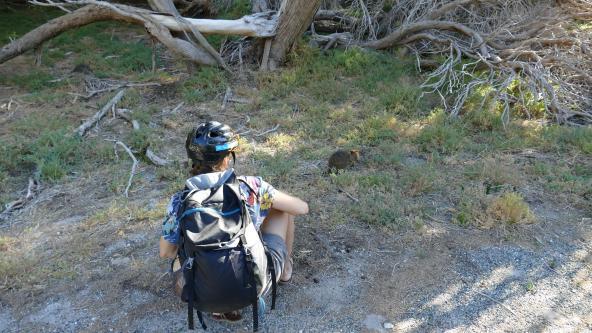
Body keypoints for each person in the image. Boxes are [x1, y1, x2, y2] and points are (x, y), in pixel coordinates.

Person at [159, 121, 309, 322]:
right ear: (227, 159)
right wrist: (267, 201)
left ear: (192, 160)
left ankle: (215, 299)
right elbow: (301, 208)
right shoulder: (251, 187)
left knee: (180, 255)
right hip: (253, 285)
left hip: (199, 293)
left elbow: (165, 252)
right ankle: (284, 272)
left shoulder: (179, 201)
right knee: (282, 210)